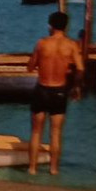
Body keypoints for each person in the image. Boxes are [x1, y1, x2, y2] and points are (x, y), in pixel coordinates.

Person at [26, 11, 83, 176]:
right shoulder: (71, 45)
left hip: (42, 88)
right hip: (59, 90)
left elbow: (30, 66)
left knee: (36, 131)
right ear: (66, 26)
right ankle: (53, 169)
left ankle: (32, 168)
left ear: (50, 26)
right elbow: (80, 69)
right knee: (56, 132)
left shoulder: (42, 43)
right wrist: (76, 87)